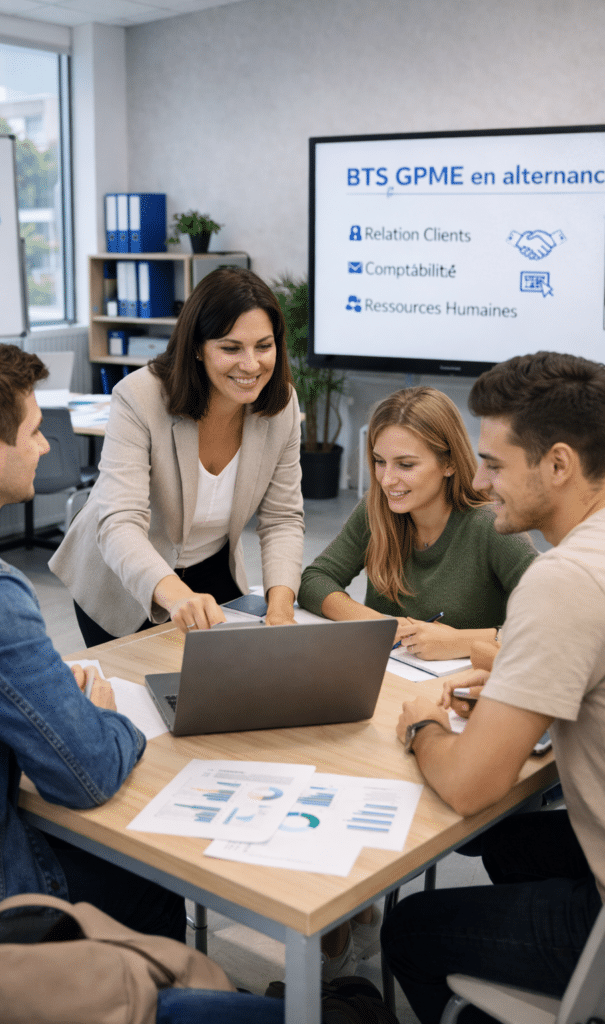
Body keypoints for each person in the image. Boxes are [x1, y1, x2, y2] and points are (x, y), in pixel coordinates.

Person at [0, 339, 185, 992]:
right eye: (35, 431)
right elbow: (86, 773)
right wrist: (97, 716)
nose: (44, 446)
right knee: (148, 883)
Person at [381, 351, 605, 1024]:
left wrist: (422, 725)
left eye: (495, 464)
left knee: (411, 930)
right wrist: (514, 676)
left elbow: (472, 784)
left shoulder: (562, 577)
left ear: (558, 464)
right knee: (501, 841)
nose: (479, 481)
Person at [50, 266, 304, 647]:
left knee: (218, 691)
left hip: (210, 570)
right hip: (122, 579)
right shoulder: (139, 398)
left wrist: (281, 607)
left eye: (264, 346)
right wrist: (174, 594)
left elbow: (282, 518)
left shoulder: (280, 405)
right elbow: (120, 522)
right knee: (142, 695)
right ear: (198, 348)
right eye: (231, 348)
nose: (251, 365)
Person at [298, 386, 536, 659]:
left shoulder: (491, 526)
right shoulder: (375, 508)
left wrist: (463, 641)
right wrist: (378, 624)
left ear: (449, 464)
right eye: (379, 461)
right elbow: (315, 580)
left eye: (406, 465)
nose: (387, 480)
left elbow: (554, 624)